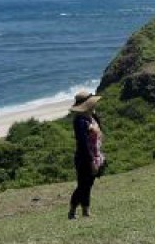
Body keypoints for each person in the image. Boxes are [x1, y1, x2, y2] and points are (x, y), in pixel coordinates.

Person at [68, 91, 103, 220]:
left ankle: (85, 211)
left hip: (94, 155)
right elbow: (83, 143)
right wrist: (91, 161)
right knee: (83, 185)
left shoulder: (92, 117)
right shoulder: (80, 121)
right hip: (85, 158)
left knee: (88, 185)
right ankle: (73, 211)